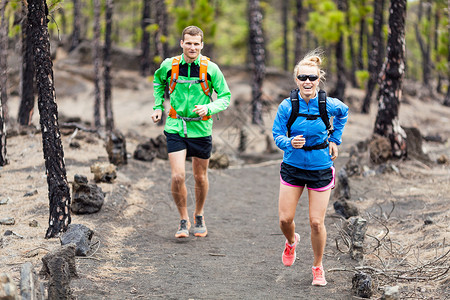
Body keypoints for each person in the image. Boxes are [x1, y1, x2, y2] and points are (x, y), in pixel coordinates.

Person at [272, 49, 349, 286]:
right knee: (285, 220)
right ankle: (291, 241)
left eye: (312, 78)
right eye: (303, 78)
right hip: (293, 166)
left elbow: (344, 112)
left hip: (321, 167)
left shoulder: (328, 104)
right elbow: (276, 134)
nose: (308, 82)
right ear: (296, 80)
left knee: (317, 222)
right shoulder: (288, 106)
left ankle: (317, 267)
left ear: (319, 79)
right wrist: (288, 142)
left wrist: (335, 140)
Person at [151, 26, 231, 238]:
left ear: (202, 45)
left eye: (196, 44)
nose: (192, 47)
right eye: (188, 43)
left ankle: (199, 214)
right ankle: (183, 220)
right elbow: (158, 81)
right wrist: (158, 106)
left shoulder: (210, 69)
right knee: (178, 176)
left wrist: (209, 108)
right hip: (176, 126)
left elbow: (225, 96)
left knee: (199, 177)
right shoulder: (170, 65)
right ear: (182, 43)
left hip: (201, 128)